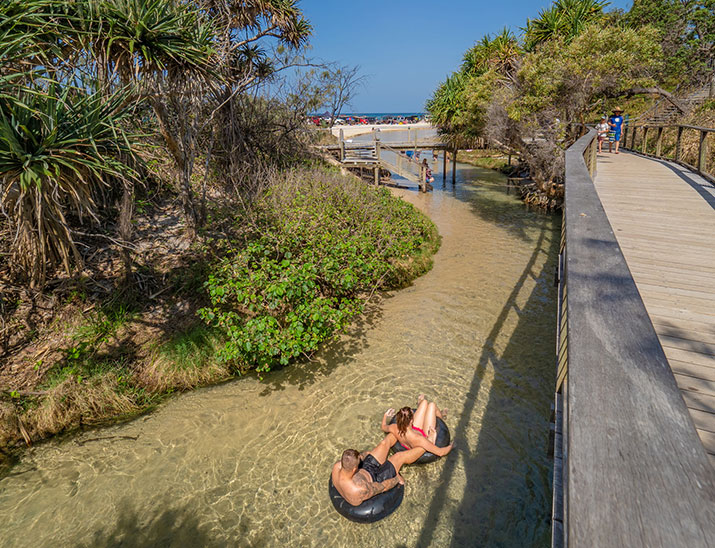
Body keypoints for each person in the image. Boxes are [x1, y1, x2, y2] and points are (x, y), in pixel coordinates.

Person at [332, 433, 424, 506]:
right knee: (399, 456)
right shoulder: (360, 489)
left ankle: (410, 430)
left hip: (366, 468)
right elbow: (383, 487)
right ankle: (425, 445)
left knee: (385, 442)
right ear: (354, 469)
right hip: (377, 478)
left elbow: (359, 457)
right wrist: (397, 479)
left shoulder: (337, 467)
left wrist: (368, 454)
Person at [381, 395, 454, 461]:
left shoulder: (395, 427)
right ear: (411, 421)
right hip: (425, 435)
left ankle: (421, 404)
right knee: (432, 405)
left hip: (412, 430)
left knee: (424, 402)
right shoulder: (419, 439)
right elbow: (440, 452)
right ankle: (441, 417)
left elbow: (384, 427)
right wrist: (452, 445)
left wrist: (385, 415)